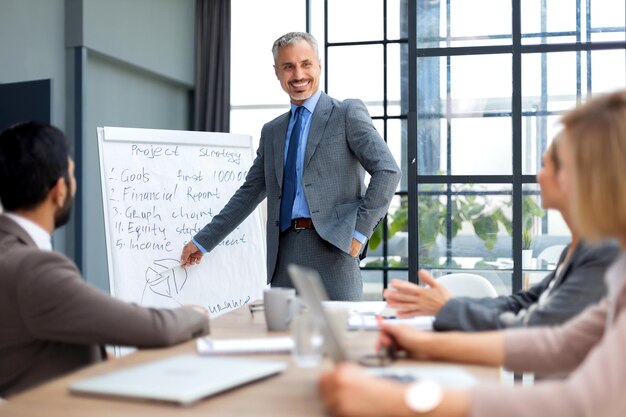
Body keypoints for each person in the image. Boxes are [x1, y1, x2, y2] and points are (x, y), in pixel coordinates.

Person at [319, 89, 626, 417]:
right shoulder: (614, 264)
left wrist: (400, 400)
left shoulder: (608, 256)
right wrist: (421, 343)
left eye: (548, 166)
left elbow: (579, 401)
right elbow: (559, 343)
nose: (538, 177)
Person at [180, 32, 401, 301]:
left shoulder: (346, 114)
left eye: (306, 64)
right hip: (284, 256)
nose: (298, 75)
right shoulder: (272, 131)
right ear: (277, 72)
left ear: (319, 65)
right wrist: (204, 240)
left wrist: (359, 233)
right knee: (288, 340)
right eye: (288, 66)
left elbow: (388, 171)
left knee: (339, 341)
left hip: (335, 252)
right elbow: (248, 193)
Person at [0, 122, 210, 397]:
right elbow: (153, 329)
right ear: (59, 190)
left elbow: (33, 344)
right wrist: (194, 315)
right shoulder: (33, 269)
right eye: (72, 176)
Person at [384, 139, 620, 331]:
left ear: (571, 178)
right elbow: (523, 303)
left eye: (545, 166)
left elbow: (534, 328)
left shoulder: (604, 253)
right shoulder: (578, 248)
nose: (538, 176)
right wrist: (449, 305)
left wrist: (447, 309)